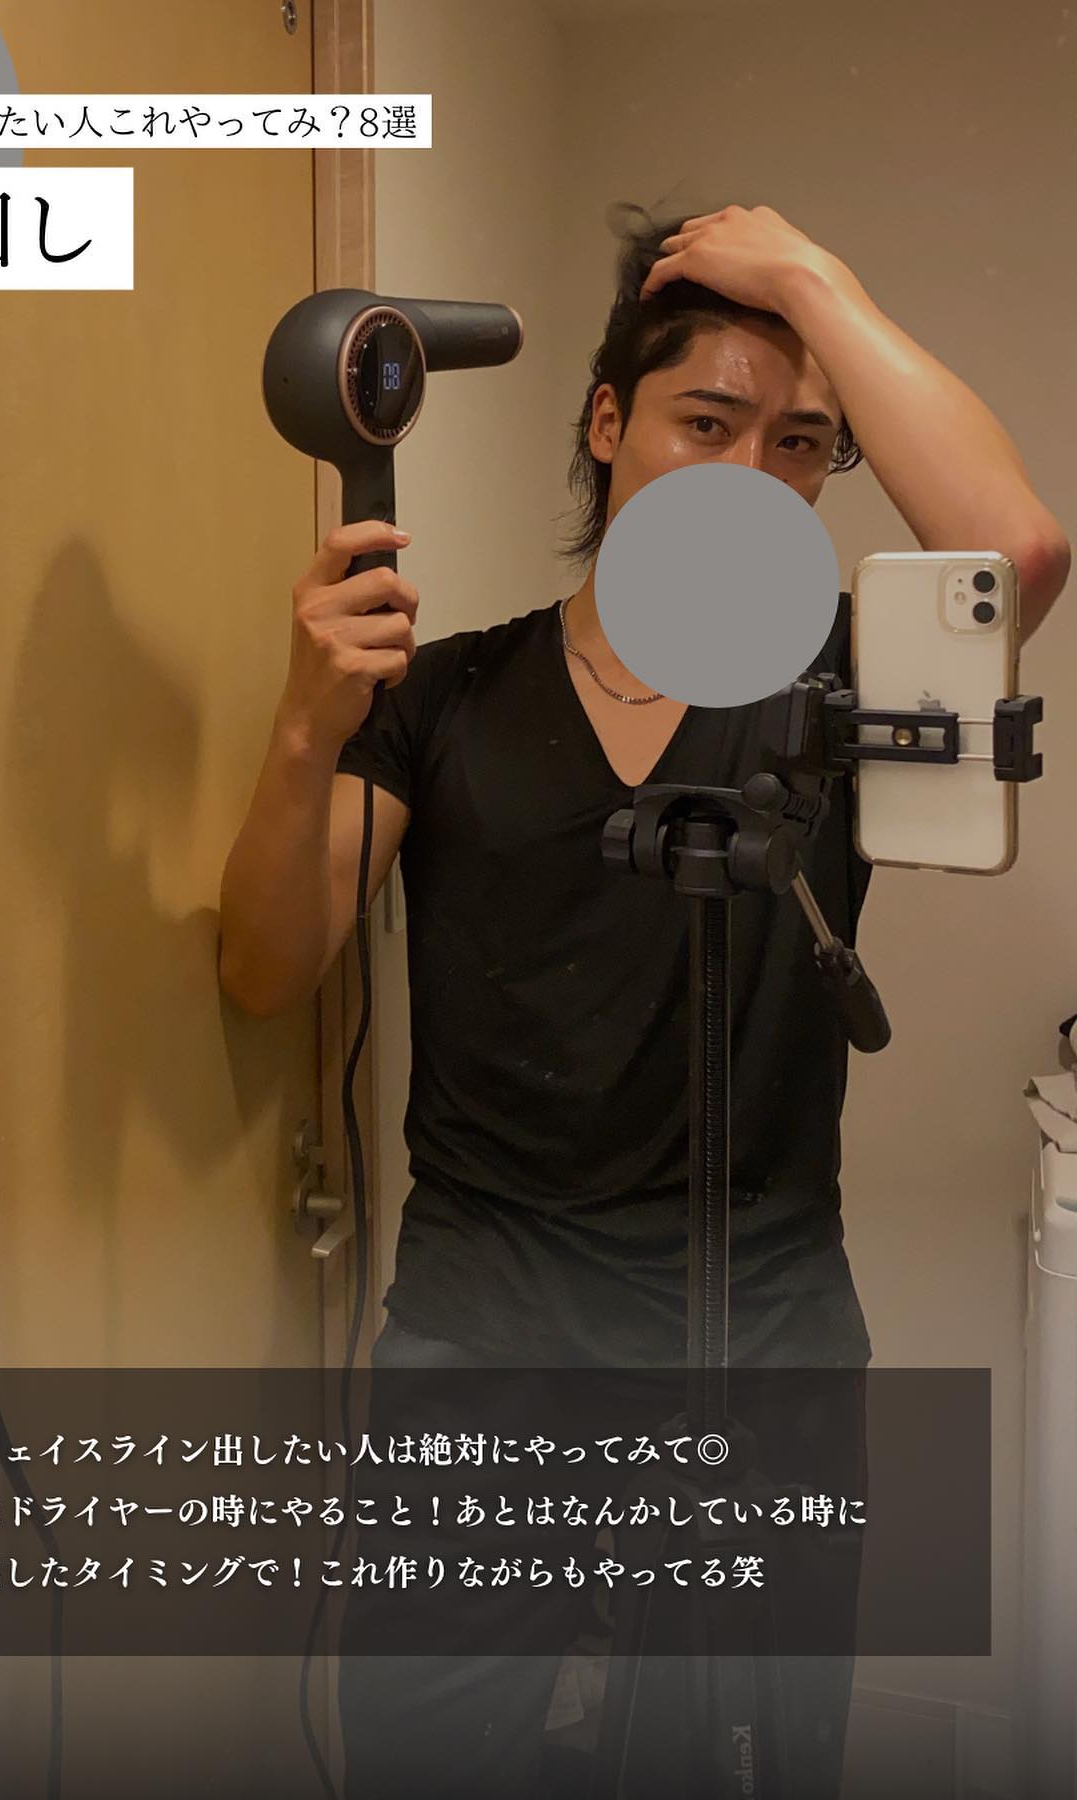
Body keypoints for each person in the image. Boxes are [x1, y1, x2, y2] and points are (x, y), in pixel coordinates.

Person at [217, 201, 1069, 1797]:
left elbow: (1015, 553)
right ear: (607, 423)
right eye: (706, 423)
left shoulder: (841, 685)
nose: (752, 477)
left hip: (762, 1323)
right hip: (486, 1327)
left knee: (752, 1755)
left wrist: (812, 277)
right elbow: (266, 969)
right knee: (432, 1751)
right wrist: (300, 731)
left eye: (801, 445)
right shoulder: (450, 696)